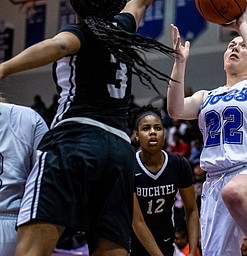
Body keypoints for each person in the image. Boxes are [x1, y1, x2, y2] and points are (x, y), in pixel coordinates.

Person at [0, 0, 177, 255]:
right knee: (110, 246)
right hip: (118, 152)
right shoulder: (123, 26)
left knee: (32, 249)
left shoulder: (81, 32)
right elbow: (140, 2)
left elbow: (59, 45)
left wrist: (4, 68)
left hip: (75, 141)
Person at [167, 2, 247, 255]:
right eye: (231, 45)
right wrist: (179, 63)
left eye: (242, 46)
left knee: (236, 191)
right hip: (215, 181)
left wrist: (241, 24)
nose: (235, 46)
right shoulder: (207, 96)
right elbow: (175, 109)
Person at [130, 105, 200, 256]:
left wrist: (193, 250)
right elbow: (137, 222)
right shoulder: (129, 166)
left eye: (158, 128)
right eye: (146, 128)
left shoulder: (178, 164)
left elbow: (191, 210)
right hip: (133, 243)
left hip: (166, 241)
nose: (153, 132)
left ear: (164, 132)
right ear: (136, 135)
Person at [0, 95, 48, 255]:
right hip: (17, 225)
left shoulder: (28, 118)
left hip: (17, 222)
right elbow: (47, 186)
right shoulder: (27, 117)